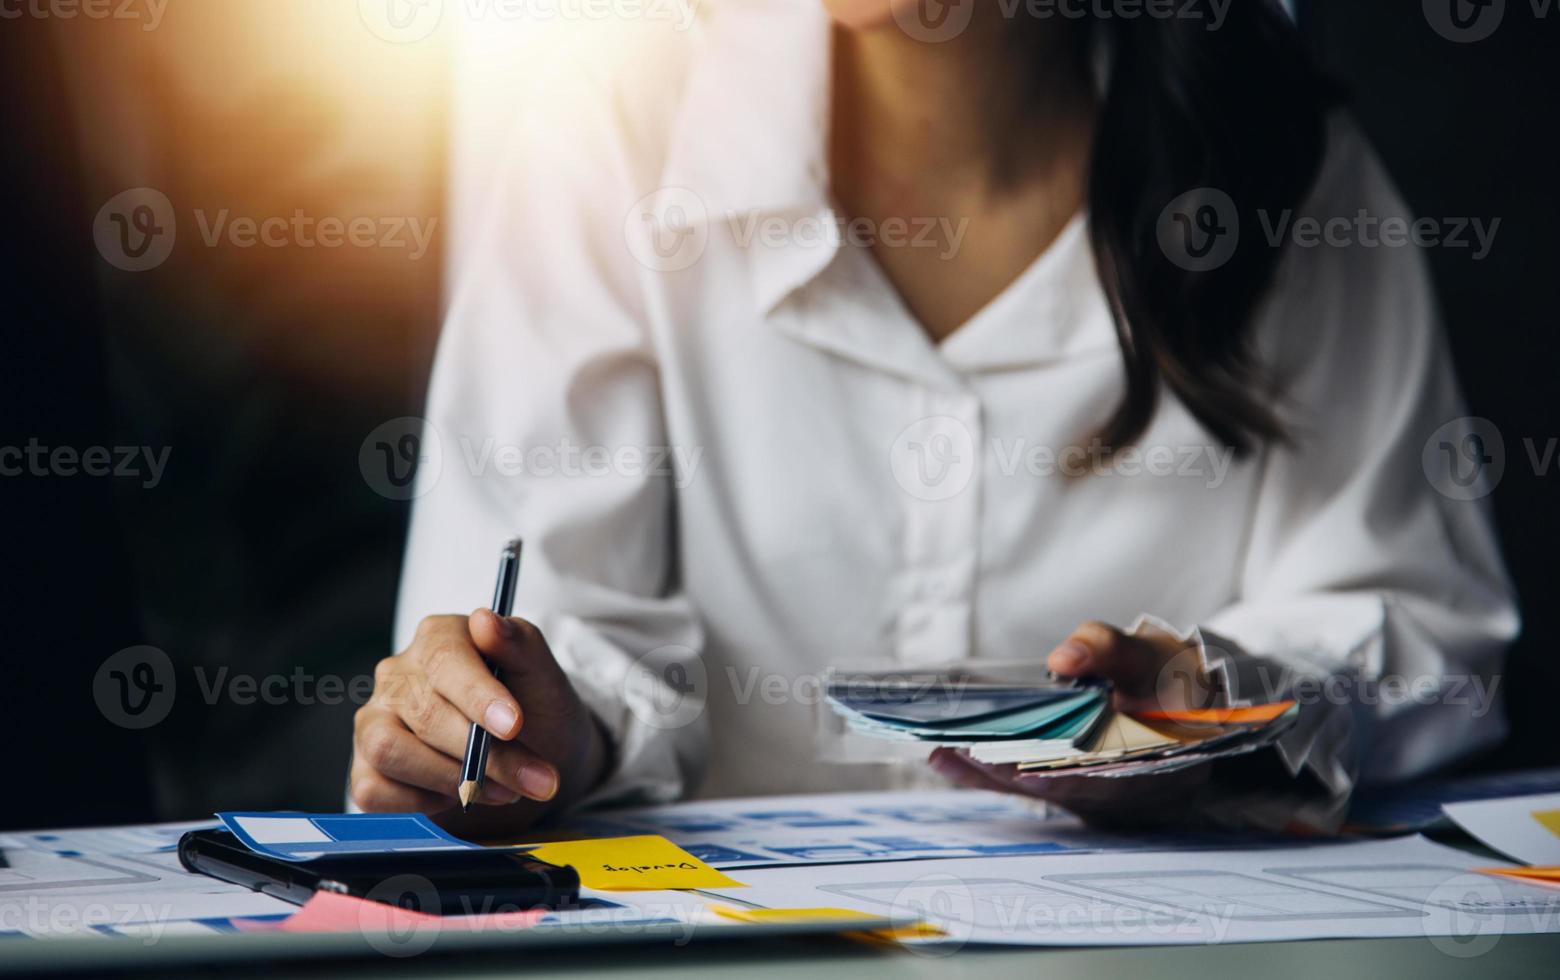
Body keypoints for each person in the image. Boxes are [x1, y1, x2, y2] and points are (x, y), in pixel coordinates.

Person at [350, 0, 1517, 833]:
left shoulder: (1278, 169)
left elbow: (1422, 629)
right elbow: (544, 649)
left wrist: (1225, 701)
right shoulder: (610, 127)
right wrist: (530, 728)